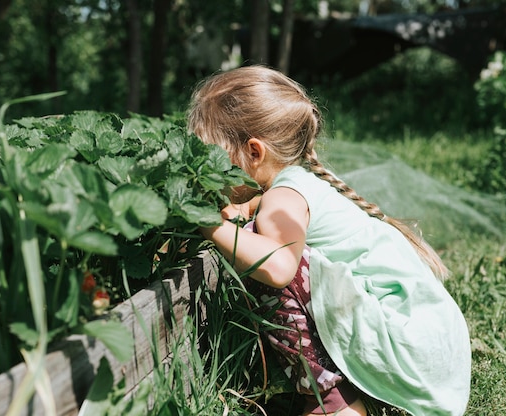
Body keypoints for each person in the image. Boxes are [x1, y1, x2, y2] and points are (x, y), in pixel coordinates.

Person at [187, 65, 472, 416]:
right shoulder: (299, 182)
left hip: (407, 350)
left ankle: (335, 402)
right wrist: (243, 206)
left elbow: (278, 269)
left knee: (258, 251)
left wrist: (210, 224)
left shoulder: (284, 199)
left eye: (213, 158)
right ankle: (349, 391)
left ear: (254, 153)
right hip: (431, 348)